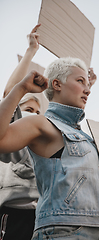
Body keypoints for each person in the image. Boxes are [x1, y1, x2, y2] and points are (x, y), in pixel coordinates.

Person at [0, 56, 99, 240]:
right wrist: (21, 87)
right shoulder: (41, 123)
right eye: (80, 81)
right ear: (57, 84)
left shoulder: (88, 139)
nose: (87, 90)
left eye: (88, 84)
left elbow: (93, 199)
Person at [0, 25, 41, 240]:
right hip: (11, 215)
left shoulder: (41, 138)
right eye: (28, 109)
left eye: (38, 111)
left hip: (41, 218)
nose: (34, 115)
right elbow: (10, 94)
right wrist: (31, 51)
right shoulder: (11, 134)